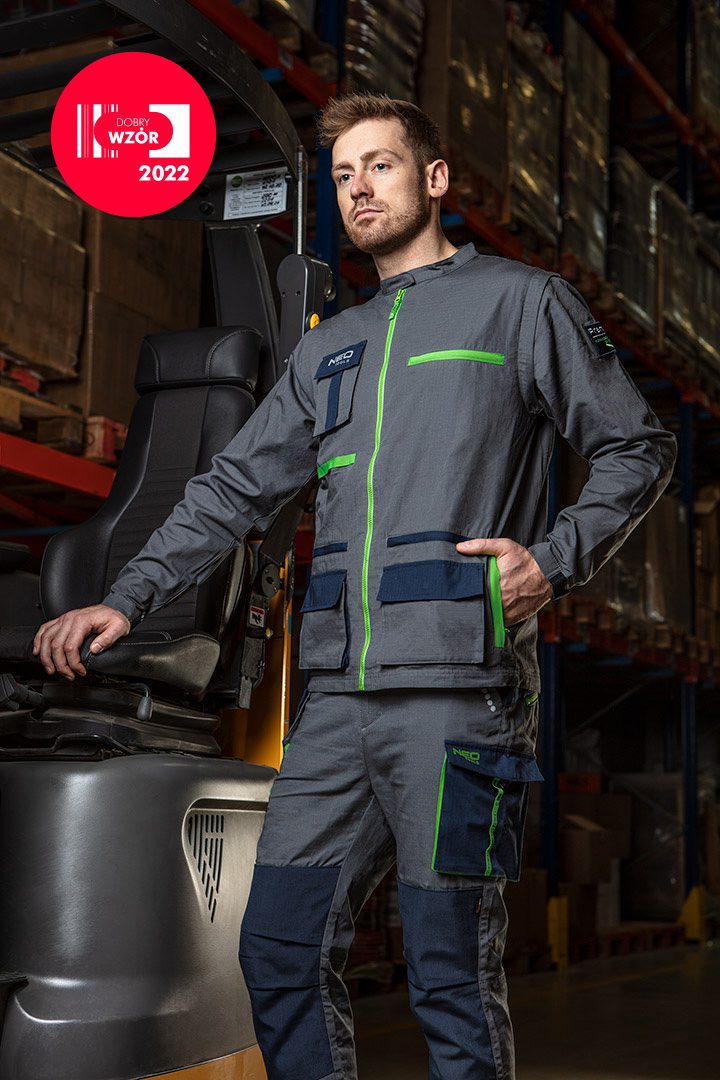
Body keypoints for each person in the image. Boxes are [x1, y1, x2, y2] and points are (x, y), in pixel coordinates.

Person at [33, 93, 677, 1079]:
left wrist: (554, 558)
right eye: (342, 175)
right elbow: (233, 488)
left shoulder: (522, 303)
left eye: (380, 165)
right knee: (277, 953)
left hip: (457, 694)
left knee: (451, 975)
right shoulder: (330, 346)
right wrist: (127, 597)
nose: (359, 189)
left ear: (435, 178)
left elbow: (638, 445)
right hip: (336, 705)